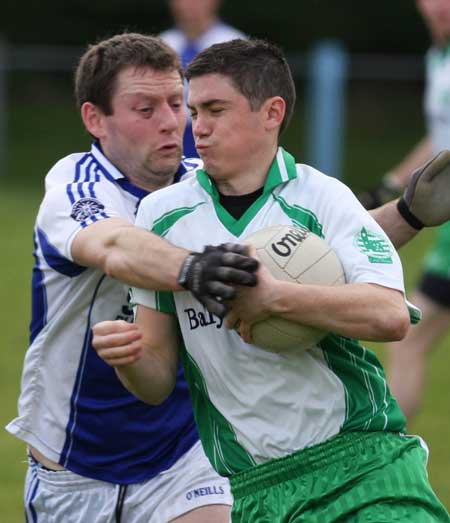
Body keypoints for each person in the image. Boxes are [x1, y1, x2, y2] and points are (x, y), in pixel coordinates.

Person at [92, 39, 450, 522]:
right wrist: (130, 358)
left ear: (272, 112)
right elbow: (155, 382)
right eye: (195, 110)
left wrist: (276, 298)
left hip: (362, 467)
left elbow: (388, 315)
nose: (199, 127)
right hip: (255, 489)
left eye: (216, 109)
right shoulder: (160, 216)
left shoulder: (323, 197)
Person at [5, 32, 266, 523]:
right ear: (95, 119)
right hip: (73, 467)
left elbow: (302, 247)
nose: (171, 123)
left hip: (186, 457)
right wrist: (193, 269)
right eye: (145, 110)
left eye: (175, 103)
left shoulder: (205, 186)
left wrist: (407, 213)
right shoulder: (76, 186)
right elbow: (115, 246)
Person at [359, 0, 450, 420]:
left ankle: (393, 451)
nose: (439, 7)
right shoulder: (438, 58)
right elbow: (439, 139)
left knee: (410, 335)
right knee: (411, 338)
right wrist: (392, 185)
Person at [160, 0, 245, 158]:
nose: (191, 5)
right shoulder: (164, 43)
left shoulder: (233, 43)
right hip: (172, 136)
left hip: (219, 134)